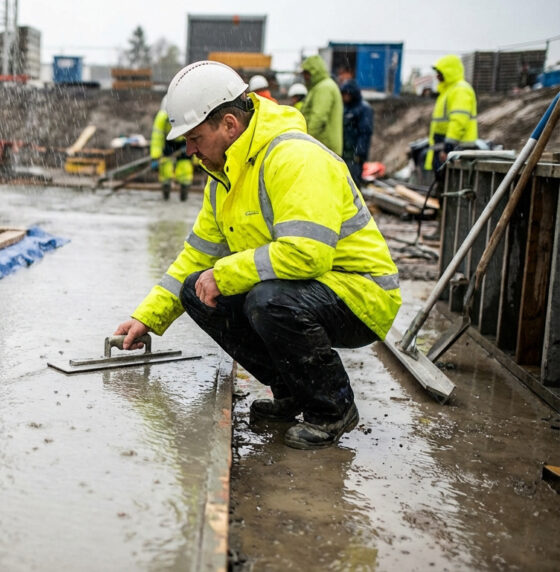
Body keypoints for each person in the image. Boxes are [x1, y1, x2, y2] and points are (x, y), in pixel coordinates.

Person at [114, 61, 401, 450]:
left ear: (230, 125)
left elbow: (306, 256)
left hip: (361, 295)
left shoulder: (294, 158)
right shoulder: (224, 177)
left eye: (196, 137)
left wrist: (226, 274)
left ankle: (333, 408)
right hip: (307, 290)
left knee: (266, 300)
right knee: (193, 291)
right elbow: (195, 257)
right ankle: (292, 392)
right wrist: (145, 317)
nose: (190, 149)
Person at [423, 54, 478, 173]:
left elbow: (458, 121)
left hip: (455, 148)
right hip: (444, 146)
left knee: (449, 183)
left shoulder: (460, 90)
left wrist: (448, 148)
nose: (437, 76)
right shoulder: (448, 91)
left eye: (440, 72)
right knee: (441, 182)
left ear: (448, 72)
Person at [150, 98, 194, 201]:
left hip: (183, 142)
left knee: (185, 169)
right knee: (165, 168)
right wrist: (156, 155)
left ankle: (184, 196)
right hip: (168, 142)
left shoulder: (188, 116)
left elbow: (196, 134)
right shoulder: (162, 117)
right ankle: (166, 194)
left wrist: (192, 147)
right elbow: (157, 137)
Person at [299, 55, 343, 155]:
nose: (305, 77)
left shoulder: (324, 88)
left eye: (306, 73)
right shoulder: (320, 87)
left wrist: (305, 139)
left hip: (324, 147)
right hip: (321, 146)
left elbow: (318, 117)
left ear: (314, 72)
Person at [340, 80, 373, 187]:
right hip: (344, 153)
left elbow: (365, 132)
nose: (344, 97)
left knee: (353, 183)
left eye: (346, 94)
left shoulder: (363, 109)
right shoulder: (345, 108)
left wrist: (359, 153)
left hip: (354, 155)